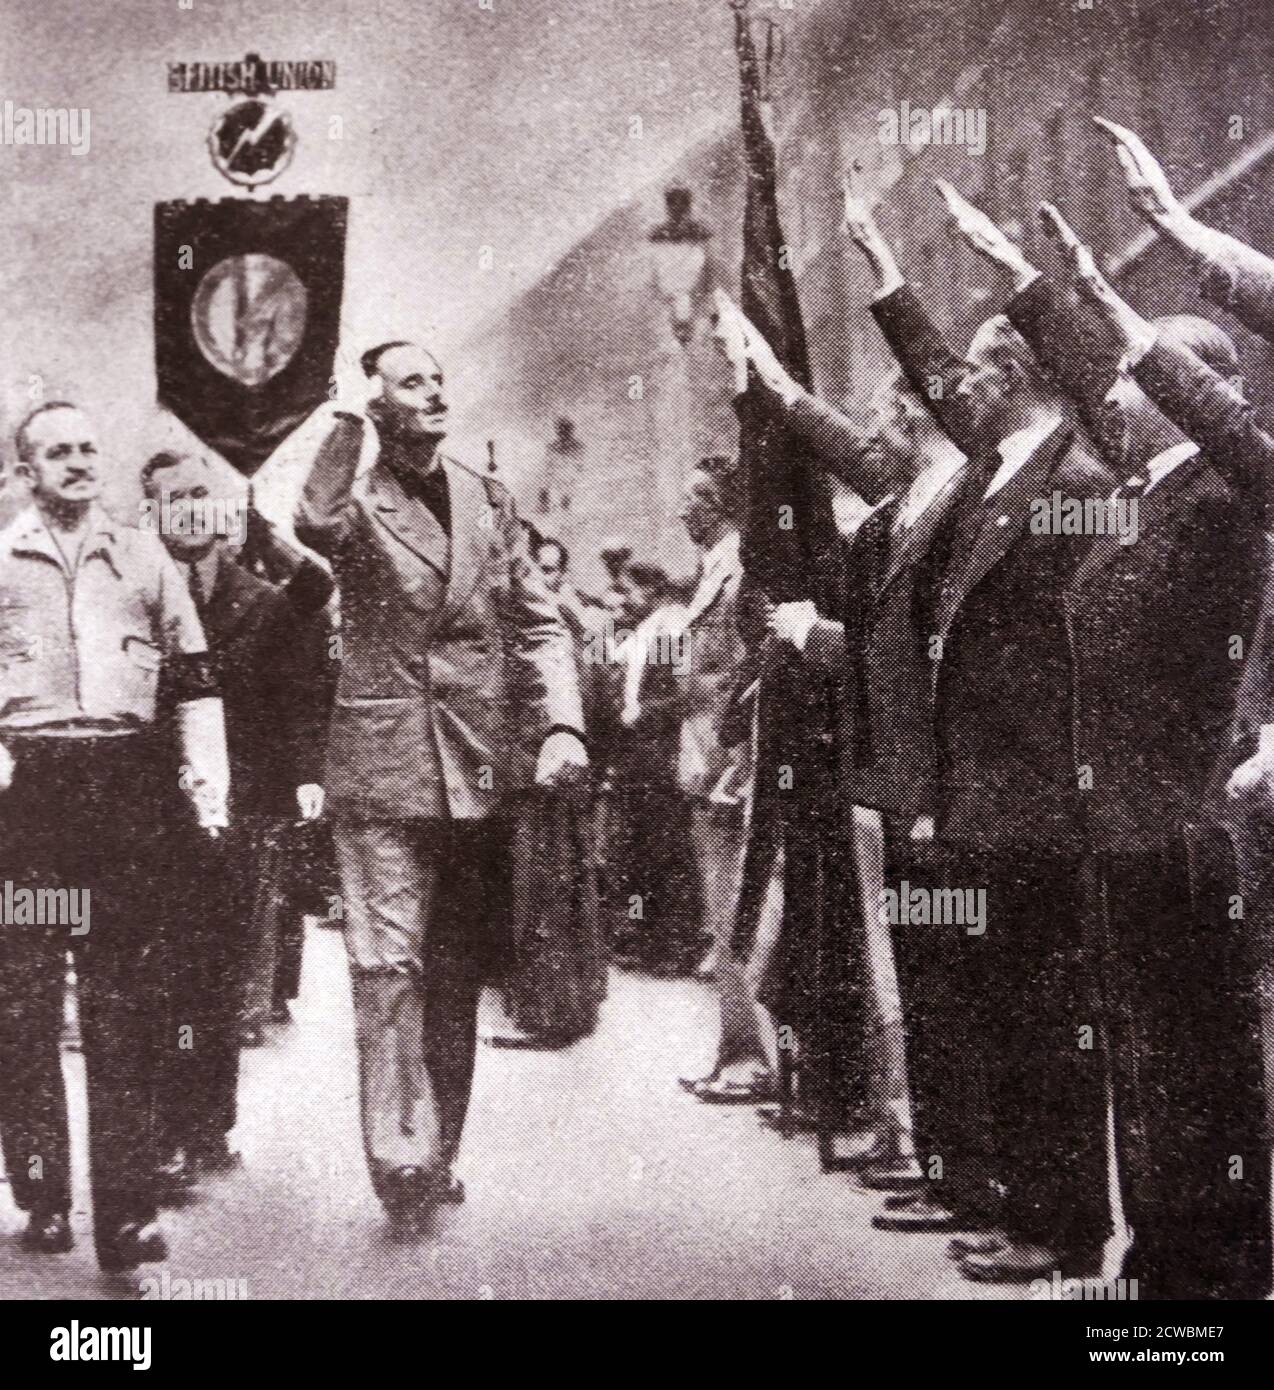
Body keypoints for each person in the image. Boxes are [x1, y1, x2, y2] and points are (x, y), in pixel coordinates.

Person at [1014, 140, 1273, 1298]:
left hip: (1183, 813)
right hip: (1144, 815)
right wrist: (1097, 274)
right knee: (1162, 1047)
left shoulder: (1213, 496)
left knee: (1196, 1051)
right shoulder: (1159, 493)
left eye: (1139, 377)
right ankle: (1173, 1262)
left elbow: (1225, 430)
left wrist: (1128, 284)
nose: (1113, 398)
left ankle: (1199, 1266)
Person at [294, 340, 587, 1225]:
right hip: (384, 766)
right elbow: (312, 520)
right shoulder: (357, 497)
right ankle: (400, 1154)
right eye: (411, 383)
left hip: (479, 769)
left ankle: (438, 1145)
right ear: (379, 405)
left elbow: (537, 627)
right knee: (389, 964)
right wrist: (342, 418)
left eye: (437, 379)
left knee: (455, 971)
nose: (433, 393)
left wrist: (564, 722)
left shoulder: (485, 498)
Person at [0, 401, 228, 1271]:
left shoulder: (143, 554)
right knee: (22, 1002)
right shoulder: (3, 558)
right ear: (26, 472)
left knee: (123, 1006)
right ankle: (42, 1190)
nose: (77, 461)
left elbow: (196, 677)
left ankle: (126, 1216)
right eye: (56, 451)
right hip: (31, 803)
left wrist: (208, 787)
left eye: (88, 447)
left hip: (123, 799)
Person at [142, 451, 332, 1195]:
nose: (189, 509)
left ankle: (205, 1124)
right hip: (151, 805)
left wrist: (259, 525)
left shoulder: (261, 600)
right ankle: (164, 1133)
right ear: (151, 512)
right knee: (156, 971)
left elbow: (315, 597)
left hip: (241, 808)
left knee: (215, 972)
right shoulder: (137, 591)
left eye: (202, 496)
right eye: (174, 497)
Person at [667, 456, 771, 1103]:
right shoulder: (715, 570)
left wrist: (740, 757)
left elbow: (752, 669)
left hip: (729, 767)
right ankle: (735, 1049)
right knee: (723, 915)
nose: (683, 510)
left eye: (695, 498)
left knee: (738, 915)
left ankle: (752, 1058)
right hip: (707, 763)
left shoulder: (740, 571)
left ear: (723, 505)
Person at [495, 535, 608, 1048]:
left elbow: (591, 697)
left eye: (552, 569)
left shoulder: (566, 625)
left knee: (553, 893)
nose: (545, 577)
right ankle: (556, 1005)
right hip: (534, 775)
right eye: (537, 568)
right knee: (542, 892)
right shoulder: (552, 624)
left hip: (556, 775)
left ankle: (553, 1012)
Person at [609, 559, 703, 974]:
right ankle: (651, 943)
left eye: (627, 590)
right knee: (645, 852)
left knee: (668, 853)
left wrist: (640, 714)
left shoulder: (668, 629)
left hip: (660, 757)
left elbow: (688, 696)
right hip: (640, 759)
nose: (622, 600)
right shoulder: (644, 629)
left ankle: (677, 945)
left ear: (649, 590)